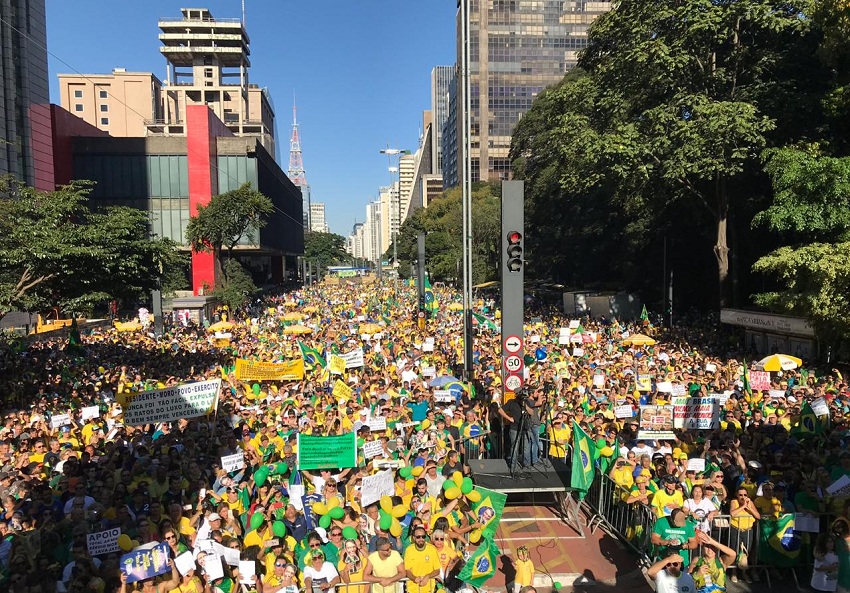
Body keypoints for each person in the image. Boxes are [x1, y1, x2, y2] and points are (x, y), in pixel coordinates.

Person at [403, 526, 441, 593]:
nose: (421, 539)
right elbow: (407, 571)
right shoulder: (409, 550)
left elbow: (437, 570)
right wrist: (414, 578)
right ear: (414, 538)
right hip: (413, 589)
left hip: (429, 589)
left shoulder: (432, 549)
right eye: (418, 537)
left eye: (423, 536)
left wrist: (428, 576)